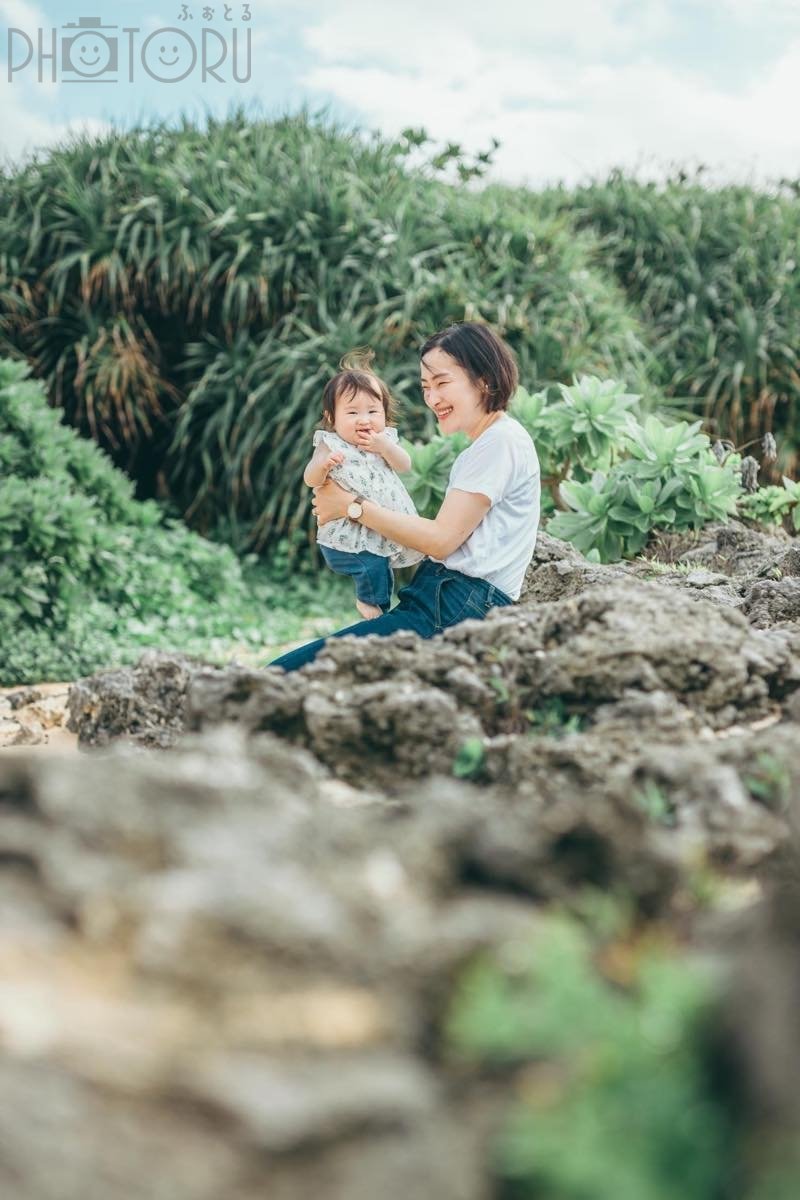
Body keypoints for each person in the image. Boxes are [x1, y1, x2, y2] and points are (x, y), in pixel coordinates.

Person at [268, 321, 541, 673]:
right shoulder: (487, 445)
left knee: (286, 674)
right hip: (444, 600)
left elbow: (441, 540)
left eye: (442, 383)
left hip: (457, 605)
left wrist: (352, 507)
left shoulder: (500, 442)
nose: (432, 398)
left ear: (484, 379)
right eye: (426, 386)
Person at [304, 353, 424, 621]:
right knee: (370, 567)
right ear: (331, 417)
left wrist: (384, 447)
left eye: (373, 411)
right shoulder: (330, 443)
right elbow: (310, 479)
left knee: (381, 567)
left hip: (377, 529)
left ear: (384, 414)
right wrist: (323, 466)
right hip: (347, 535)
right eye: (352, 412)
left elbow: (404, 465)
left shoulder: (385, 440)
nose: (364, 420)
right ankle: (371, 607)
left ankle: (382, 609)